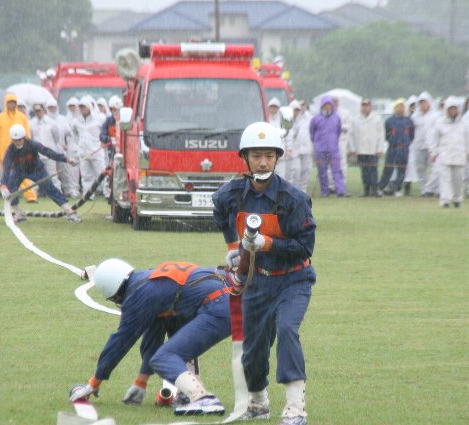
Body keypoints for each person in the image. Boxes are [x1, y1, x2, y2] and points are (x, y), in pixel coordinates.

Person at [212, 122, 316, 425]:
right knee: (254, 347)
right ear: (244, 158)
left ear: (277, 158)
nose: (263, 162)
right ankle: (258, 402)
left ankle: (296, 407)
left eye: (269, 156)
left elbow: (305, 247)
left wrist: (266, 243)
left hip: (293, 280)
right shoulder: (231, 194)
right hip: (255, 283)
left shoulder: (293, 199)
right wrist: (234, 245)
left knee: (286, 330)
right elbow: (219, 210)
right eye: (256, 156)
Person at [69, 259, 232, 416]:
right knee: (177, 344)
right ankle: (188, 395)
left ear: (115, 293)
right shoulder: (149, 280)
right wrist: (141, 381)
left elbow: (120, 342)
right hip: (235, 297)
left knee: (164, 356)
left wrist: (94, 382)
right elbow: (154, 332)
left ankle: (203, 399)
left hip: (219, 305)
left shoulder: (138, 295)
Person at [0, 124, 81, 223]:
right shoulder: (10, 150)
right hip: (19, 171)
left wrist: (66, 159)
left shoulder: (32, 144)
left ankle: (70, 212)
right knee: (10, 189)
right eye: (15, 140)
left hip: (36, 170)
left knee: (50, 188)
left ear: (24, 138)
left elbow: (48, 152)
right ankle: (19, 214)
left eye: (19, 140)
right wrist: (4, 185)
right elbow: (6, 167)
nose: (17, 143)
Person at [0, 93, 37, 203]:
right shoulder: (0, 118)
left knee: (23, 173)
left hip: (20, 150)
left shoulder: (22, 117)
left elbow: (27, 133)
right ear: (6, 104)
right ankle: (10, 197)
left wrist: (28, 147)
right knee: (7, 175)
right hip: (4, 151)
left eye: (13, 103)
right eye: (9, 103)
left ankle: (30, 196)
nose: (11, 105)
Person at [431, 96, 467, 208]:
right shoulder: (440, 123)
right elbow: (434, 139)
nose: (453, 111)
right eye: (450, 109)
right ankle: (445, 200)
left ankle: (457, 199)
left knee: (458, 180)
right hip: (445, 155)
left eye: (454, 109)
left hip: (459, 155)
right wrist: (433, 152)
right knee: (445, 179)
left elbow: (468, 139)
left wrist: (468, 151)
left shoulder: (463, 123)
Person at [71, 98, 110, 199]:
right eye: (81, 107)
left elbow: (105, 131)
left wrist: (102, 142)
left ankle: (107, 194)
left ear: (89, 107)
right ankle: (88, 195)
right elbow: (74, 134)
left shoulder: (99, 118)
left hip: (97, 151)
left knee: (102, 173)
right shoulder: (76, 121)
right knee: (86, 176)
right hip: (83, 153)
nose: (82, 109)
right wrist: (79, 145)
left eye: (84, 107)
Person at [377, 98, 415, 197]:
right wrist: (392, 140)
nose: (400, 109)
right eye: (398, 106)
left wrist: (407, 142)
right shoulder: (390, 121)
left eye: (402, 106)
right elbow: (386, 134)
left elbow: (412, 134)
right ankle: (381, 187)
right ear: (394, 108)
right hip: (393, 147)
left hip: (404, 148)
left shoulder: (408, 121)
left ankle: (397, 188)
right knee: (388, 168)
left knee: (402, 169)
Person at [310, 96, 345, 197]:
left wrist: (333, 141)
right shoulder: (316, 118)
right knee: (322, 172)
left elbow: (338, 131)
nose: (327, 107)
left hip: (333, 149)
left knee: (337, 170)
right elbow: (312, 133)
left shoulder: (337, 118)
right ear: (322, 106)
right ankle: (325, 191)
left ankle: (340, 190)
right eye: (325, 105)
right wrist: (317, 143)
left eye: (329, 105)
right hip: (320, 150)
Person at [350, 98, 385, 197]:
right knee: (364, 171)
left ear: (370, 107)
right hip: (361, 150)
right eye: (363, 106)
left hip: (373, 150)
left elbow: (381, 135)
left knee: (373, 171)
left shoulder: (377, 119)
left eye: (367, 106)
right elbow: (351, 135)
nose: (365, 108)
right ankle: (366, 190)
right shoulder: (356, 119)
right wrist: (353, 149)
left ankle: (374, 189)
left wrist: (380, 148)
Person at [47, 97, 79, 198]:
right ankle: (56, 191)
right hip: (49, 150)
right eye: (50, 107)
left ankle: (70, 190)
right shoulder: (45, 120)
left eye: (54, 107)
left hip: (61, 149)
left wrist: (66, 143)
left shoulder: (62, 119)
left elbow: (69, 133)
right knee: (52, 173)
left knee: (65, 171)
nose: (52, 109)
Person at [30, 103, 63, 192]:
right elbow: (31, 137)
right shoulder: (32, 123)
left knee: (53, 175)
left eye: (39, 111)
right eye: (36, 111)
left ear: (44, 111)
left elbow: (56, 136)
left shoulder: (51, 122)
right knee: (34, 176)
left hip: (49, 153)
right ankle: (32, 196)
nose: (38, 113)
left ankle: (58, 193)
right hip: (37, 154)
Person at [412, 91, 440, 197]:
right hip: (419, 146)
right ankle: (424, 190)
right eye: (421, 103)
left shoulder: (436, 116)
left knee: (435, 169)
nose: (423, 105)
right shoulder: (415, 116)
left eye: (425, 102)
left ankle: (433, 188)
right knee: (420, 169)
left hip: (431, 146)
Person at [287, 100, 312, 193]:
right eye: (295, 109)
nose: (297, 111)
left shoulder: (307, 118)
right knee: (295, 171)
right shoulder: (287, 119)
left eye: (299, 109)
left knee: (306, 170)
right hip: (293, 150)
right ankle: (294, 190)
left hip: (306, 148)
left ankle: (303, 191)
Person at [402, 95, 419, 196]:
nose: (413, 109)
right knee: (407, 166)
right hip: (408, 145)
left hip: (419, 144)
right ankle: (405, 187)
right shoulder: (406, 119)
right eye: (412, 106)